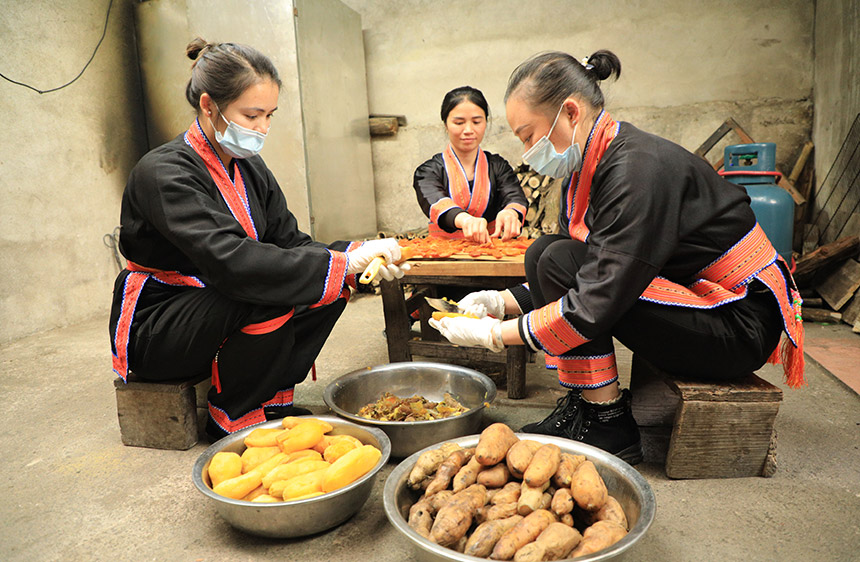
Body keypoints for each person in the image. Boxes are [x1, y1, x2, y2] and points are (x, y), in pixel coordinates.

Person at [430, 50, 804, 465]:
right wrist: (497, 301)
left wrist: (497, 334)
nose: (527, 152)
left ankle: (607, 419)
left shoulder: (636, 168)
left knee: (560, 262)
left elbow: (595, 296)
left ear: (570, 112)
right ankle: (586, 403)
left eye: (529, 135)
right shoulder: (593, 162)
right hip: (698, 302)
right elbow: (582, 262)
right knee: (546, 252)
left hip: (736, 325)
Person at [109, 39, 407, 441]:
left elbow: (289, 241)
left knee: (332, 285)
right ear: (209, 106)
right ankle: (233, 417)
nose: (263, 128)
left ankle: (270, 399)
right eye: (251, 115)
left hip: (219, 296)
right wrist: (339, 263)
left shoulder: (250, 168)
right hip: (162, 322)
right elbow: (231, 261)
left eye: (269, 115)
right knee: (268, 291)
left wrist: (357, 257)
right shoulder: (163, 172)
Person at [413, 86, 528, 244]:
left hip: (493, 250)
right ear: (445, 125)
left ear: (485, 123)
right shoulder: (428, 171)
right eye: (459, 122)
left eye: (476, 122)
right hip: (444, 253)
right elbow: (435, 201)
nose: (468, 130)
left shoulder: (498, 166)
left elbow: (514, 196)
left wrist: (511, 213)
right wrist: (465, 220)